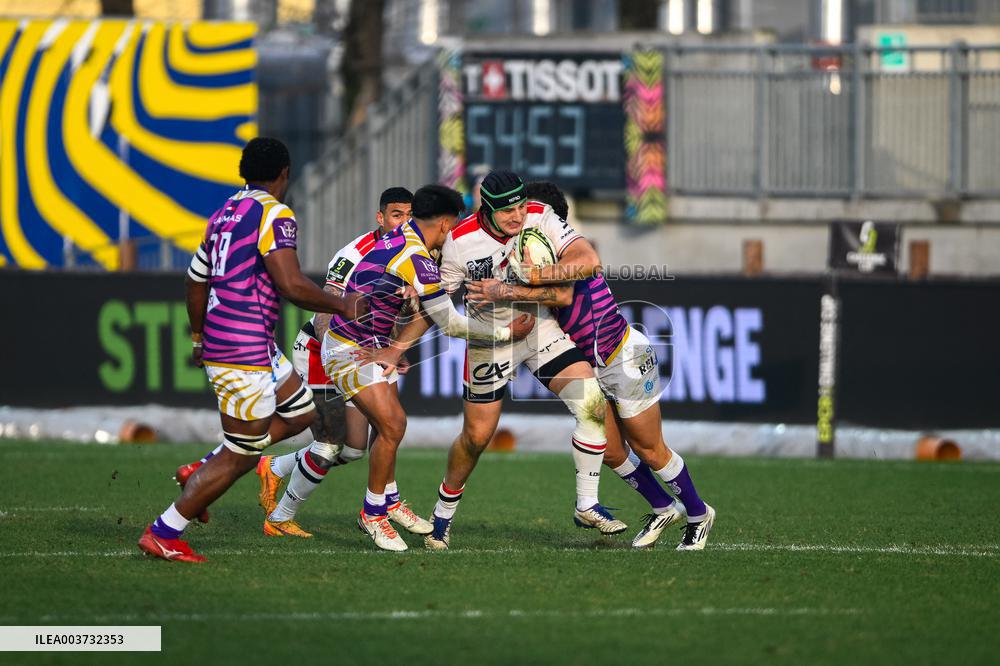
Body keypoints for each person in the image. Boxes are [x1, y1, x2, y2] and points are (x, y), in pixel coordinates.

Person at [363, 170, 625, 551]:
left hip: (539, 329)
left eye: (521, 207)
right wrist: (399, 347)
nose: (518, 217)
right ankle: (442, 516)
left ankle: (587, 504)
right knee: (476, 438)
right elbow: (437, 303)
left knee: (592, 403)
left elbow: (588, 260)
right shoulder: (459, 241)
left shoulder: (540, 214)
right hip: (490, 340)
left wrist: (529, 276)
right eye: (508, 212)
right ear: (487, 209)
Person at [137, 137, 365, 563]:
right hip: (243, 351)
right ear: (284, 175)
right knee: (241, 455)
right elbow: (291, 284)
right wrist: (342, 303)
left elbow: (194, 279)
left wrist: (199, 337)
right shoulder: (274, 213)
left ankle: (198, 469)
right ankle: (165, 530)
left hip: (248, 344)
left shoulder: (223, 213)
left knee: (301, 412)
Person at [466, 181, 715, 550]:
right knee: (612, 450)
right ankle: (663, 506)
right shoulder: (537, 253)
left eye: (529, 212)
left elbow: (561, 294)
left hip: (623, 359)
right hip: (594, 364)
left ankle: (698, 513)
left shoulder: (557, 257)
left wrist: (505, 290)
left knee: (649, 449)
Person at [323, 184, 535, 551]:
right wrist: (504, 331)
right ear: (444, 223)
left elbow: (381, 292)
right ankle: (372, 514)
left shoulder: (399, 235)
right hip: (349, 350)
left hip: (365, 343)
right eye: (453, 227)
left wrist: (393, 345)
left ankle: (388, 502)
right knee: (393, 425)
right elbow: (450, 323)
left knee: (388, 424)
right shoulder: (418, 257)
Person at [255, 187, 431, 537]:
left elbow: (390, 309)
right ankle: (280, 518)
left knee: (355, 448)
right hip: (325, 349)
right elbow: (327, 308)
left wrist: (395, 348)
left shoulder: (414, 252)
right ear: (380, 218)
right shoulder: (355, 253)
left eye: (410, 216)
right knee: (330, 444)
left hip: (367, 349)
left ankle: (275, 467)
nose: (405, 222)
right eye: (397, 215)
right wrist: (339, 353)